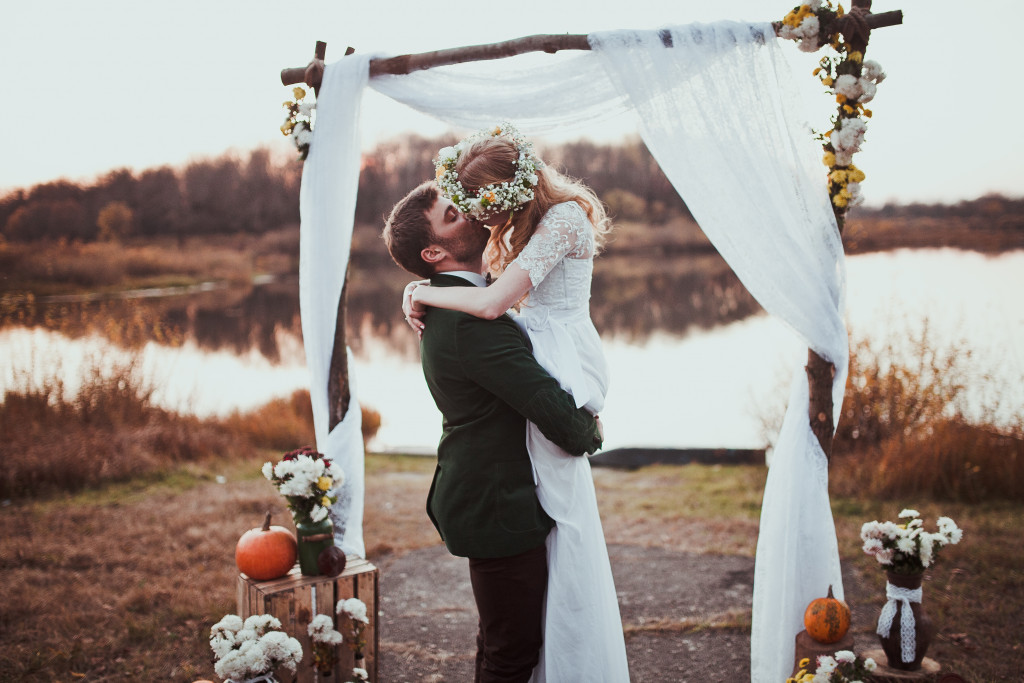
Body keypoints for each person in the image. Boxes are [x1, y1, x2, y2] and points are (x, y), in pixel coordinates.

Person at [401, 123, 630, 683]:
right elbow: (554, 412)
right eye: (458, 211)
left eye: (474, 202)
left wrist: (417, 289)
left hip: (556, 358)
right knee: (509, 651)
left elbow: (497, 303)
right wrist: (588, 433)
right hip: (495, 501)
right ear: (434, 250)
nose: (476, 213)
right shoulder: (468, 316)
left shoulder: (555, 224)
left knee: (504, 641)